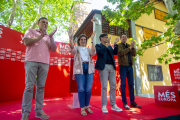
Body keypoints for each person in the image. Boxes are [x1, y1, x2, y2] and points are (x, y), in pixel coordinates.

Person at [21, 17, 57, 120]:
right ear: (38, 23)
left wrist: (51, 37)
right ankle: (25, 113)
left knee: (41, 87)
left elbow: (54, 49)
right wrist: (40, 36)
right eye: (43, 22)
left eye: (47, 23)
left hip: (44, 63)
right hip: (31, 61)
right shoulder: (31, 31)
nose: (45, 24)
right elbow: (26, 42)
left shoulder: (48, 36)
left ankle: (39, 111)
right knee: (29, 87)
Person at [68, 27, 96, 116]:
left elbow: (93, 52)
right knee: (81, 89)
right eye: (81, 39)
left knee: (88, 89)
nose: (83, 41)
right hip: (79, 69)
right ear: (79, 41)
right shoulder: (77, 48)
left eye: (84, 39)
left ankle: (87, 105)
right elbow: (71, 48)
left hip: (89, 68)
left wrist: (92, 40)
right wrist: (70, 37)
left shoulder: (88, 49)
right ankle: (82, 107)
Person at [95, 33, 122, 113]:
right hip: (104, 67)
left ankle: (113, 105)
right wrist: (107, 45)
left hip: (112, 67)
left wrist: (115, 44)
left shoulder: (110, 46)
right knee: (104, 87)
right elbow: (100, 53)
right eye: (106, 37)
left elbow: (115, 53)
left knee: (113, 85)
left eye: (107, 37)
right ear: (101, 38)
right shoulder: (98, 46)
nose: (107, 38)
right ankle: (104, 105)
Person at [118, 34, 141, 109]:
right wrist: (130, 47)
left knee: (131, 84)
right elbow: (121, 53)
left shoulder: (129, 45)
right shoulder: (119, 45)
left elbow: (134, 54)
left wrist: (133, 47)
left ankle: (132, 102)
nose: (124, 38)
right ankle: (124, 102)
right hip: (123, 67)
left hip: (130, 67)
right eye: (123, 37)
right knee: (123, 85)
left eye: (125, 37)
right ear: (121, 39)